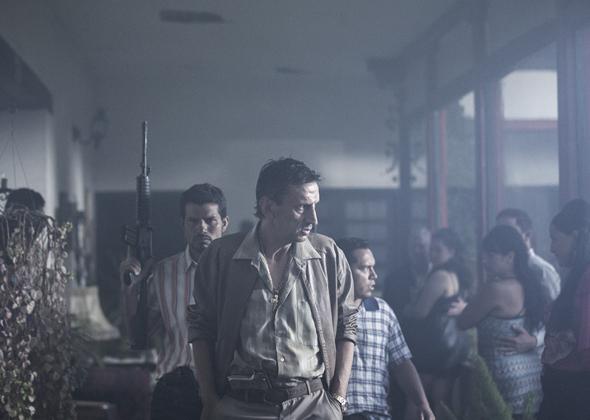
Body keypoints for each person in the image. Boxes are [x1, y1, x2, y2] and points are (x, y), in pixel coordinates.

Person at [188, 157, 357, 419]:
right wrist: (209, 399)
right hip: (241, 406)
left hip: (312, 405)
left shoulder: (327, 255)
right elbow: (201, 329)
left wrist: (338, 398)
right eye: (302, 207)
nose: (313, 218)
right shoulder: (222, 256)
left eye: (315, 206)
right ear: (268, 207)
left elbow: (347, 325)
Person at [120, 183, 229, 420]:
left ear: (224, 224)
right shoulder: (162, 273)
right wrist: (130, 291)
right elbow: (139, 337)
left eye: (210, 220)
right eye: (193, 221)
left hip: (226, 392)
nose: (202, 228)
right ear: (183, 225)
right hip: (174, 394)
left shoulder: (238, 273)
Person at [455, 225, 548, 417]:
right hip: (532, 375)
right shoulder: (531, 284)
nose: (484, 260)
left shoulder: (495, 289)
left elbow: (463, 321)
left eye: (491, 255)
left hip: (502, 377)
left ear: (510, 257)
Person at [336, 237, 434, 420]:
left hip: (378, 413)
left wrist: (423, 404)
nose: (374, 275)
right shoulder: (325, 311)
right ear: (343, 270)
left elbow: (402, 363)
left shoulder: (382, 311)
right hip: (339, 413)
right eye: (365, 268)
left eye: (373, 267)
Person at [402, 228, 471, 416]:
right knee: (441, 401)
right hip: (451, 345)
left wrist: (406, 308)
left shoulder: (440, 276)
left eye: (438, 250)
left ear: (452, 251)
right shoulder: (457, 274)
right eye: (431, 249)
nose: (432, 254)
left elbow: (420, 312)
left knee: (417, 398)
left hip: (433, 345)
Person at [538, 199, 590, 420]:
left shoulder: (586, 278)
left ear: (576, 237)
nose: (551, 248)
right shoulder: (577, 276)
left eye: (555, 239)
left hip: (574, 391)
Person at [496, 208, 560, 300]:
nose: (502, 237)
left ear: (527, 235)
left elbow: (554, 304)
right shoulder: (498, 269)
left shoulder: (541, 270)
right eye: (498, 232)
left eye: (509, 232)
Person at [383, 225, 431, 321]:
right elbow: (386, 312)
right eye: (413, 246)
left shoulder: (442, 275)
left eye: (421, 246)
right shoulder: (393, 279)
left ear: (431, 248)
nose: (416, 251)